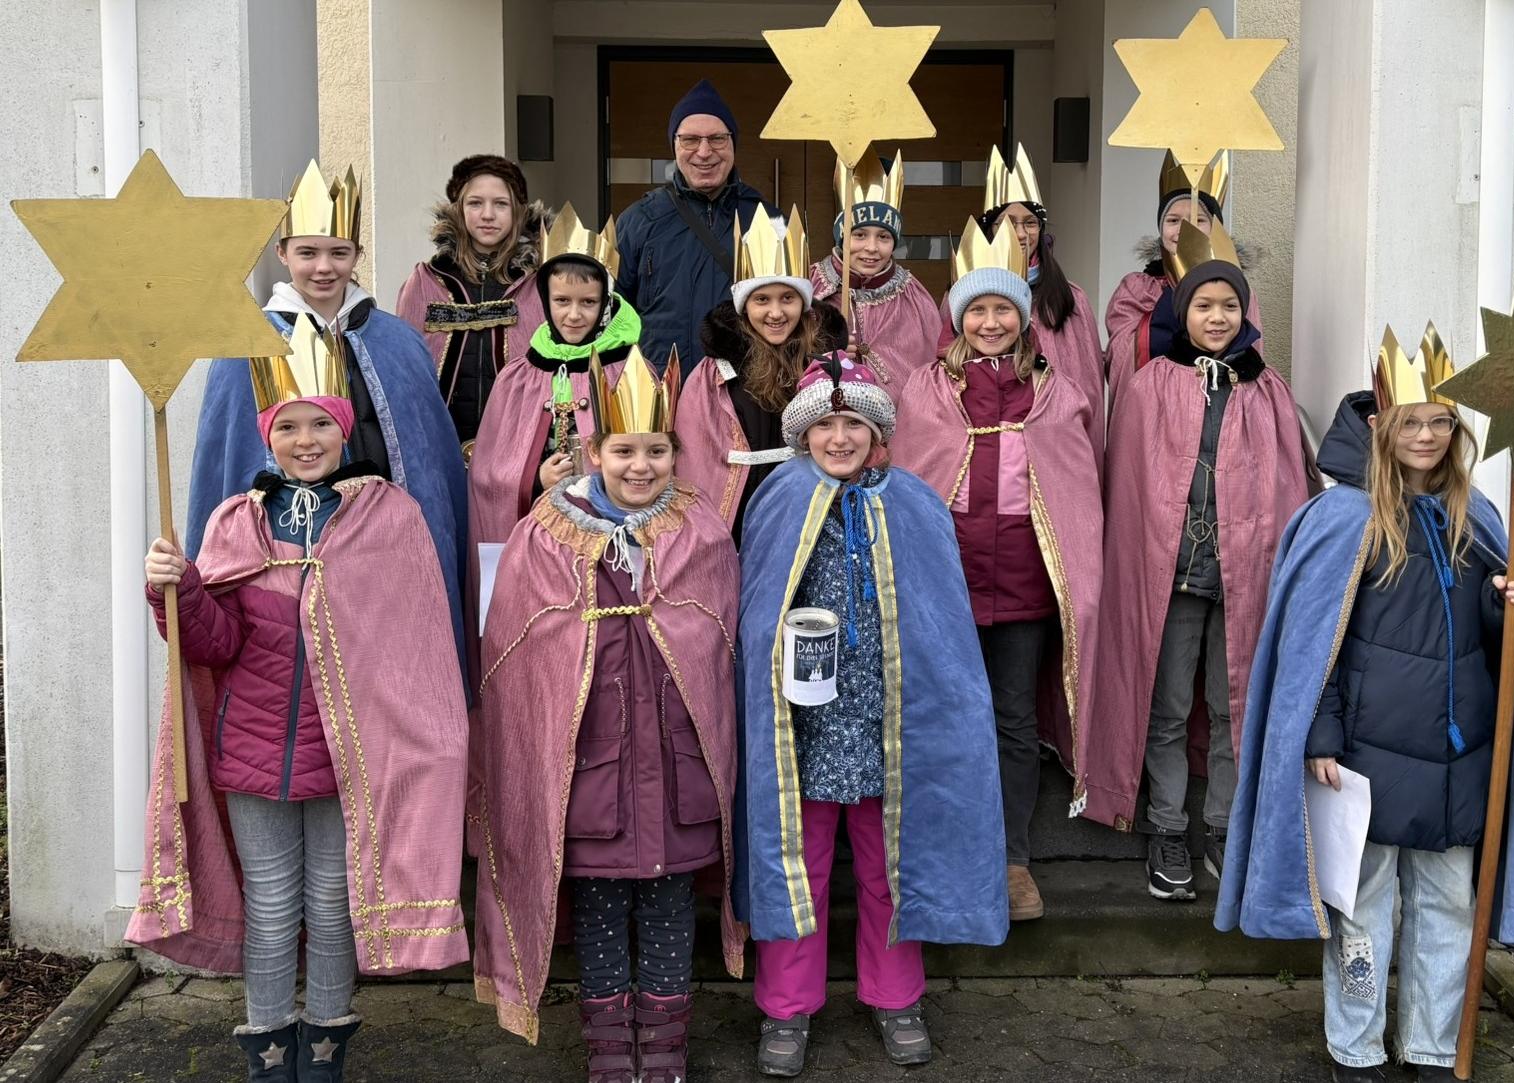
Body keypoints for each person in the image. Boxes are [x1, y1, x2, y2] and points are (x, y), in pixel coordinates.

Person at [1217, 333, 1514, 1082]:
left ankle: (1434, 1047)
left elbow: (1495, 644)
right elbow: (1314, 646)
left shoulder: (1476, 516)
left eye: (1440, 422)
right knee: (1362, 909)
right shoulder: (1341, 518)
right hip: (1366, 757)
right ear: (1380, 425)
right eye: (1411, 421)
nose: (1425, 436)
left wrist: (1510, 607)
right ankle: (1356, 1047)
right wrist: (1320, 731)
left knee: (1447, 907)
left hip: (1457, 759)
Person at [130, 315, 469, 1082]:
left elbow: (414, 648)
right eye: (289, 426)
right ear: (268, 436)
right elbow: (212, 643)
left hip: (353, 759)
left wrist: (432, 743)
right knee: (273, 906)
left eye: (321, 423)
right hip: (254, 758)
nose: (306, 440)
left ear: (344, 429)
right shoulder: (237, 520)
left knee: (334, 903)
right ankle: (268, 1052)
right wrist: (177, 589)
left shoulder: (388, 516)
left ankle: (323, 1053)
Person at [472, 348, 742, 1083]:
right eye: (624, 451)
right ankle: (609, 1050)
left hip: (677, 762)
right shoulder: (545, 530)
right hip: (590, 767)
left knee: (668, 907)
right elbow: (519, 650)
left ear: (675, 454)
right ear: (595, 452)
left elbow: (718, 638)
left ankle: (665, 1046)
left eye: (655, 451)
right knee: (596, 911)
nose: (639, 466)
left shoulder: (699, 528)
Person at [737, 354, 1008, 1078]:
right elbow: (754, 610)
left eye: (853, 423)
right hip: (803, 724)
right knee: (799, 862)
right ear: (802, 435)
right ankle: (786, 1007)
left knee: (891, 861)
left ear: (877, 431)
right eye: (825, 425)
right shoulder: (778, 498)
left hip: (891, 719)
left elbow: (940, 620)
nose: (839, 438)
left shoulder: (913, 502)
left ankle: (897, 997)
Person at [1083, 233, 1309, 902]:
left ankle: (1224, 826)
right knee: (1169, 706)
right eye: (1204, 305)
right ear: (1182, 312)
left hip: (1245, 574)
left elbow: (1287, 484)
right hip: (1174, 572)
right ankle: (1167, 827)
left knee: (1234, 703)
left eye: (1228, 306)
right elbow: (1129, 484)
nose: (1217, 317)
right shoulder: (1151, 383)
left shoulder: (1267, 389)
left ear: (1245, 312)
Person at [891, 219, 1102, 925]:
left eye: (1002, 309)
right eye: (977, 309)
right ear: (957, 317)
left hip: (1023, 582)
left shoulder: (1054, 390)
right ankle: (944, 852)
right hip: (946, 586)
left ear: (1022, 316)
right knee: (944, 717)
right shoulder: (925, 389)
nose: (989, 322)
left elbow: (1075, 486)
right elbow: (911, 478)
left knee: (1013, 720)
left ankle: (1012, 859)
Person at [187, 160, 469, 677]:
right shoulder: (245, 347)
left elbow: (432, 470)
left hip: (385, 562)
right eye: (307, 253)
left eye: (339, 253)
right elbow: (225, 471)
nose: (324, 267)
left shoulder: (399, 342)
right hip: (285, 564)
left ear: (357, 255)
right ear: (282, 254)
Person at [467, 202, 638, 595]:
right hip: (539, 534)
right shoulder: (519, 377)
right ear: (544, 301)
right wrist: (534, 479)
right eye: (562, 301)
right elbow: (487, 475)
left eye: (588, 302)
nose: (574, 315)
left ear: (606, 302)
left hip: (609, 536)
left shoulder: (628, 372)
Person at [672, 206, 846, 543]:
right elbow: (695, 455)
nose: (776, 313)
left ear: (803, 303)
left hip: (813, 504)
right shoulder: (714, 374)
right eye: (762, 299)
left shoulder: (826, 365)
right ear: (744, 305)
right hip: (742, 512)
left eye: (788, 298)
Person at [937, 145, 1106, 458]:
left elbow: (1090, 386)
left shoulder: (1070, 297)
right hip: (984, 437)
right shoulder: (959, 295)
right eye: (1007, 222)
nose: (1020, 233)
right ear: (990, 228)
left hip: (1056, 440)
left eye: (1030, 222)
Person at [614, 79, 779, 375]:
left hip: (745, 385)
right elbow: (613, 314)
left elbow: (791, 309)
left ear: (733, 144)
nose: (704, 152)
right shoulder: (638, 221)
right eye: (690, 139)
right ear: (674, 145)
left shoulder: (768, 219)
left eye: (717, 139)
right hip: (661, 386)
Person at [396, 153, 548, 453]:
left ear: (518, 211)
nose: (488, 215)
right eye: (475, 203)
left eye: (500, 204)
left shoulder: (539, 283)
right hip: (441, 444)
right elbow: (405, 369)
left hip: (521, 444)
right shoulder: (426, 281)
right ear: (459, 209)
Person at [1102, 152, 1269, 403]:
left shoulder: (1236, 290)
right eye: (1173, 220)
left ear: (1215, 228)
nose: (1185, 229)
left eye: (1198, 220)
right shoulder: (1137, 289)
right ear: (1161, 229)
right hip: (1154, 406)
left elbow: (1249, 360)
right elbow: (1121, 357)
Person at [807, 149, 939, 388]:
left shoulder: (913, 297)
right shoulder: (811, 287)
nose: (871, 248)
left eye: (883, 237)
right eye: (859, 235)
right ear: (842, 236)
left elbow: (932, 372)